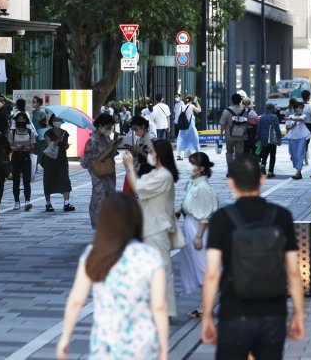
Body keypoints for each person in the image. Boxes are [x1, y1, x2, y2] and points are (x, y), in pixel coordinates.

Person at [201, 155, 305, 359]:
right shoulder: (281, 216)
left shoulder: (221, 218)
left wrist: (207, 316)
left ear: (231, 183)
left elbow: (212, 274)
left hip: (234, 311)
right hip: (273, 312)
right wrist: (299, 314)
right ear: (262, 179)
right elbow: (293, 272)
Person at [56, 193, 169, 360]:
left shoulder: (94, 255)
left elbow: (76, 299)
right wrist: (164, 346)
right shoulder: (150, 256)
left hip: (105, 341)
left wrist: (65, 337)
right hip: (142, 342)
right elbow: (159, 305)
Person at [122, 140, 179, 318]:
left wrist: (129, 166)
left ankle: (164, 310)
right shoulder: (158, 174)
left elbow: (138, 187)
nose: (150, 155)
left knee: (161, 270)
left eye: (153, 152)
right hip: (150, 226)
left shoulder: (163, 176)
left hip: (157, 228)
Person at [177, 152, 218, 319]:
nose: (190, 167)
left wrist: (199, 236)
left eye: (193, 164)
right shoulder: (193, 183)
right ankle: (204, 306)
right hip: (190, 225)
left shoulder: (203, 188)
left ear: (201, 169)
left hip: (197, 228)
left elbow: (206, 215)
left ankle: (206, 307)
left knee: (203, 267)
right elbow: (186, 204)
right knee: (198, 266)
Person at [81, 113, 118, 229]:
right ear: (100, 125)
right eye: (108, 127)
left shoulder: (106, 138)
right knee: (99, 197)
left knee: (110, 198)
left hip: (109, 171)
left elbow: (111, 156)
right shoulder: (92, 140)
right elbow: (95, 160)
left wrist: (115, 146)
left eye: (111, 127)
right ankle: (100, 226)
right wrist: (110, 149)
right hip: (98, 173)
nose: (109, 130)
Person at [43, 114, 75, 212]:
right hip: (50, 159)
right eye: (55, 120)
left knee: (65, 179)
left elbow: (64, 145)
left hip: (62, 159)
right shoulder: (48, 133)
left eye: (59, 120)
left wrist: (66, 146)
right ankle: (48, 203)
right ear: (52, 121)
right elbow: (49, 146)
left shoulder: (65, 133)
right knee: (48, 179)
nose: (57, 121)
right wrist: (58, 140)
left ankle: (66, 203)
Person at [9, 112, 36, 211]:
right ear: (16, 120)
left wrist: (28, 147)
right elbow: (9, 146)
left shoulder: (30, 132)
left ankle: (27, 200)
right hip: (16, 157)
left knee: (26, 180)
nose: (21, 121)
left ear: (26, 120)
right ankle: (16, 201)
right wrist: (16, 147)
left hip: (26, 157)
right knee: (15, 181)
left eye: (23, 119)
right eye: (19, 119)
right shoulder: (12, 133)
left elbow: (32, 146)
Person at [220, 93, 248, 169]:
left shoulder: (227, 111)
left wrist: (221, 135)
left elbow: (222, 124)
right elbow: (246, 124)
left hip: (230, 136)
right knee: (239, 154)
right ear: (240, 101)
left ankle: (230, 170)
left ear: (232, 100)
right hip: (240, 135)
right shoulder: (244, 111)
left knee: (229, 152)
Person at [285, 102, 311, 180]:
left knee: (300, 154)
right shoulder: (291, 116)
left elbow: (300, 119)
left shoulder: (303, 115)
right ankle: (298, 172)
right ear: (295, 108)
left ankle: (298, 172)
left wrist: (290, 119)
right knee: (294, 155)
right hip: (292, 137)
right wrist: (291, 126)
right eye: (298, 107)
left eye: (301, 108)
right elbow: (287, 127)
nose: (299, 109)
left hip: (302, 137)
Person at [257, 103, 282, 177]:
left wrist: (258, 136)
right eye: (273, 108)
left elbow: (259, 128)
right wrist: (279, 136)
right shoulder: (274, 117)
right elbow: (277, 128)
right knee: (272, 155)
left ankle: (263, 165)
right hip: (272, 139)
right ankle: (270, 172)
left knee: (264, 154)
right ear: (271, 109)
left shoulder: (262, 117)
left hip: (264, 138)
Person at [176, 95, 202, 160]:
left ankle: (179, 155)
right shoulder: (191, 106)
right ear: (191, 100)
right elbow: (199, 110)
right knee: (194, 138)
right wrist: (196, 102)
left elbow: (179, 115)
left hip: (183, 125)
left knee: (181, 138)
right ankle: (198, 154)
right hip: (190, 125)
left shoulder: (181, 106)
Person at [31, 96, 48, 173]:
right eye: (33, 102)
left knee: (41, 150)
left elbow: (45, 124)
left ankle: (45, 165)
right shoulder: (33, 112)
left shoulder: (42, 112)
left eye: (34, 102)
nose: (33, 103)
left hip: (41, 135)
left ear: (38, 103)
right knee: (35, 150)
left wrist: (41, 120)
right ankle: (36, 167)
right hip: (35, 135)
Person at [301, 90, 311, 166]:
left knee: (301, 143)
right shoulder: (310, 107)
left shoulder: (299, 105)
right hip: (308, 126)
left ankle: (304, 158)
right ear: (308, 97)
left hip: (300, 125)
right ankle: (305, 159)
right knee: (306, 143)